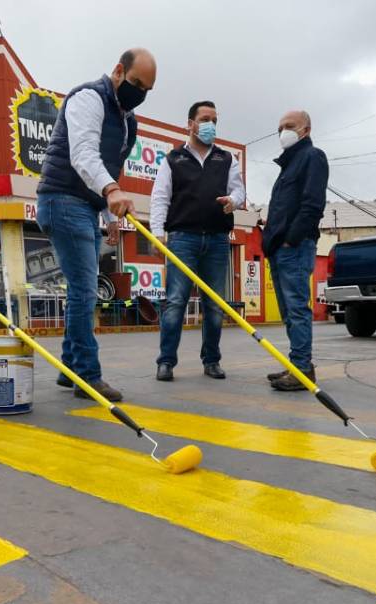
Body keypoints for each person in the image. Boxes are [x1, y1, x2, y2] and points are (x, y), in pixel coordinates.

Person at [37, 48, 157, 401]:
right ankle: (87, 375)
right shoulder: (88, 98)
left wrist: (107, 213)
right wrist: (112, 191)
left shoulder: (127, 121)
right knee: (84, 291)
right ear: (118, 71)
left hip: (87, 207)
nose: (140, 93)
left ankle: (69, 367)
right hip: (61, 199)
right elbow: (84, 153)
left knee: (81, 289)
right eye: (136, 83)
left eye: (147, 89)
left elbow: (111, 163)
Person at [151, 100, 246, 381]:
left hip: (217, 239)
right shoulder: (173, 159)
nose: (210, 125)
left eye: (214, 120)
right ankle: (166, 361)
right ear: (190, 123)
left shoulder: (227, 159)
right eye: (205, 119)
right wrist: (157, 234)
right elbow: (160, 198)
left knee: (214, 304)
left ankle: (212, 360)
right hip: (182, 239)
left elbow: (239, 192)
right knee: (176, 301)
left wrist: (233, 201)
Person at [261, 110, 328, 391]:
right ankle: (299, 365)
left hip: (295, 247)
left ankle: (301, 369)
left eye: (289, 126)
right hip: (281, 249)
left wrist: (291, 239)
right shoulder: (289, 165)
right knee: (290, 311)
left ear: (306, 129)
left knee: (297, 309)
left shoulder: (313, 157)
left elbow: (312, 205)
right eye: (279, 128)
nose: (283, 132)